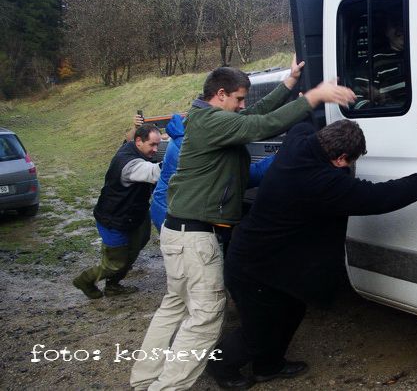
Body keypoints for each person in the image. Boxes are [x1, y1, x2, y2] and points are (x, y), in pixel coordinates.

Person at [129, 60, 355, 391]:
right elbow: (261, 126)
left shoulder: (209, 118)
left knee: (174, 308)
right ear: (220, 95)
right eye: (238, 99)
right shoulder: (211, 122)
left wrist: (289, 84)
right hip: (194, 237)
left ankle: (144, 378)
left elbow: (254, 115)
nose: (243, 106)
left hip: (178, 232)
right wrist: (314, 98)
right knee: (205, 319)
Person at [205, 119, 417, 389]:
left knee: (291, 311)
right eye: (350, 162)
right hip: (253, 268)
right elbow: (379, 197)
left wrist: (312, 97)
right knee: (259, 330)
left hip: (277, 262)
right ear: (339, 159)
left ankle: (268, 366)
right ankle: (219, 365)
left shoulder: (300, 142)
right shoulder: (322, 183)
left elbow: (302, 123)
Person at [72, 124, 162, 299]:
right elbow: (154, 173)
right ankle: (85, 280)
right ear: (138, 141)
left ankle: (113, 286)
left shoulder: (133, 147)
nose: (155, 149)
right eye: (152, 145)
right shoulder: (130, 164)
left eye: (157, 144)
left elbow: (131, 136)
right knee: (115, 263)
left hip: (136, 215)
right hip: (115, 219)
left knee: (136, 246)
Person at [148, 112, 274, 231]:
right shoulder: (193, 146)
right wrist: (281, 155)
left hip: (165, 208)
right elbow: (242, 176)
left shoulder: (186, 136)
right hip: (174, 217)